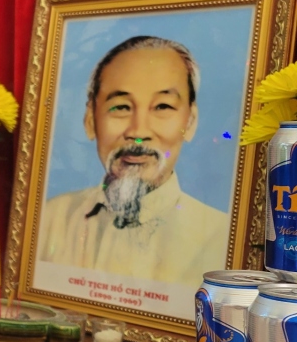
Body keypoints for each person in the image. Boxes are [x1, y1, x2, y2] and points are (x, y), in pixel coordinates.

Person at [37, 35, 230, 287]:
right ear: (89, 120)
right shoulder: (48, 219)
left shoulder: (221, 239)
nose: (138, 133)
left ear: (190, 122)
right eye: (121, 107)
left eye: (162, 107)